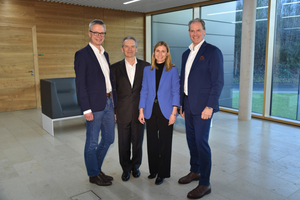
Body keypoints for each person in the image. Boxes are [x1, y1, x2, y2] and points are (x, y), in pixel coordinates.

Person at [178, 18, 224, 199]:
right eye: (192, 30)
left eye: (198, 30)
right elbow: (184, 81)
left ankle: (205, 183)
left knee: (201, 143)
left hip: (204, 107)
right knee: (191, 140)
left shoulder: (213, 52)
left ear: (204, 31)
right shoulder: (185, 54)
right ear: (188, 32)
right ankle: (194, 171)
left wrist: (210, 106)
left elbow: (218, 82)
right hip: (188, 105)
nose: (195, 33)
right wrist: (182, 103)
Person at [74, 19, 117, 186]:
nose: (99, 36)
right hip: (94, 105)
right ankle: (93, 174)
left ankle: (96, 169)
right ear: (89, 33)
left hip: (108, 102)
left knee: (109, 139)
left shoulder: (104, 54)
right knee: (92, 141)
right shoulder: (82, 54)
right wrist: (86, 109)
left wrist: (114, 105)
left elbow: (109, 81)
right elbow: (81, 84)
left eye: (102, 33)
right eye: (96, 32)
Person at [138, 41, 180, 185]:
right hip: (150, 110)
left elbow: (176, 92)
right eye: (157, 51)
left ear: (167, 53)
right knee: (152, 142)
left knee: (165, 142)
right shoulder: (147, 70)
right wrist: (141, 110)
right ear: (154, 53)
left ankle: (162, 173)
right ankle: (153, 170)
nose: (160, 54)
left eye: (163, 51)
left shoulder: (172, 70)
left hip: (166, 111)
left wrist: (174, 113)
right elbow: (144, 90)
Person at [111, 36, 150, 182]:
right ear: (122, 49)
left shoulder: (146, 67)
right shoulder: (114, 68)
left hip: (140, 112)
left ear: (137, 49)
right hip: (122, 111)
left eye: (132, 46)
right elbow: (112, 92)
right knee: (123, 143)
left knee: (138, 141)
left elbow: (150, 90)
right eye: (126, 46)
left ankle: (136, 166)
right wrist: (114, 111)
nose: (129, 49)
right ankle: (126, 169)